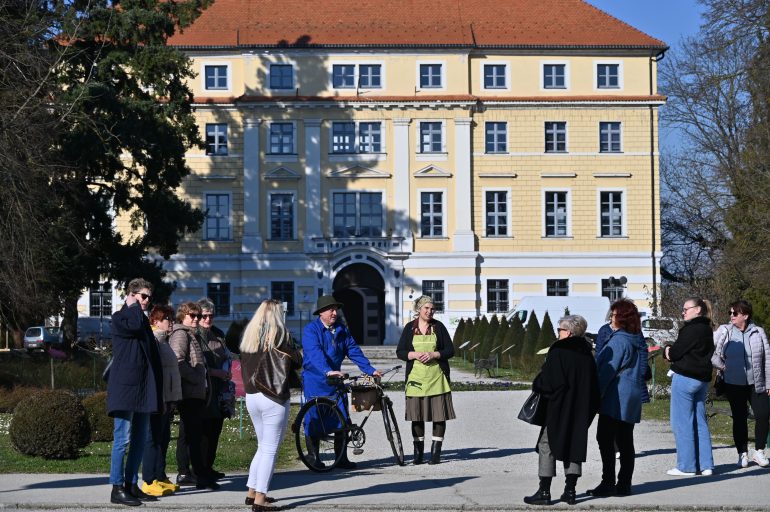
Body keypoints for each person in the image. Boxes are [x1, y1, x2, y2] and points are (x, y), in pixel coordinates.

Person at [523, 315, 600, 506]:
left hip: (559, 407)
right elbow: (594, 386)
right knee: (574, 446)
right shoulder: (587, 354)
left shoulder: (558, 351)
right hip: (580, 408)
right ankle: (570, 491)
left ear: (569, 332)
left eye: (560, 330)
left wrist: (538, 384)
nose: (558, 333)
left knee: (546, 444)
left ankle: (544, 491)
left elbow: (550, 382)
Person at [302, 295, 381, 470]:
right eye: (331, 309)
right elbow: (314, 354)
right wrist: (327, 371)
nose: (334, 313)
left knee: (342, 418)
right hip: (316, 381)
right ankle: (313, 457)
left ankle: (341, 458)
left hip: (335, 381)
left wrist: (370, 369)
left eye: (336, 309)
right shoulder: (311, 330)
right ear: (321, 312)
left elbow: (353, 350)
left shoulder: (341, 329)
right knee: (314, 418)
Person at [241, 300, 303, 511]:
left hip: (252, 396)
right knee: (270, 450)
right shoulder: (279, 336)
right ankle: (260, 499)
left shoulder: (250, 336)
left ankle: (252, 492)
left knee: (262, 447)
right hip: (272, 396)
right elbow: (297, 360)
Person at [107, 278, 163, 506]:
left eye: (149, 297)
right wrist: (132, 307)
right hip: (125, 388)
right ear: (131, 295)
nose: (147, 300)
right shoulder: (120, 318)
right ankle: (117, 487)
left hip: (143, 388)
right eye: (143, 296)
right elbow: (133, 327)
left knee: (140, 439)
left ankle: (131, 484)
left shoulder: (140, 318)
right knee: (122, 439)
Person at [590, 298, 645, 498]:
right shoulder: (634, 337)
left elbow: (606, 371)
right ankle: (624, 484)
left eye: (613, 315)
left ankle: (608, 482)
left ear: (621, 318)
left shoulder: (619, 340)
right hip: (630, 395)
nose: (610, 319)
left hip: (616, 397)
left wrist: (595, 395)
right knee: (625, 441)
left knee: (605, 438)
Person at [396, 295, 456, 465]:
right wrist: (413, 354)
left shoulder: (439, 327)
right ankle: (418, 453)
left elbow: (450, 350)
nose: (430, 311)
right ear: (419, 309)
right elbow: (400, 352)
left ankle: (435, 453)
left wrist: (434, 354)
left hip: (437, 377)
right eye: (426, 308)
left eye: (432, 309)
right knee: (417, 416)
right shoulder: (409, 328)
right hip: (415, 378)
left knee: (439, 415)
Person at [712, 299, 770, 468]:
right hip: (733, 383)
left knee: (763, 415)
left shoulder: (758, 332)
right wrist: (722, 366)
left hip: (757, 383)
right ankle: (742, 453)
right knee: (739, 418)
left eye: (735, 313)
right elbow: (710, 351)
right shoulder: (725, 331)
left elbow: (767, 359)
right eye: (730, 313)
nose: (731, 316)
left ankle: (759, 452)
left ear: (745, 315)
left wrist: (768, 383)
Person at [662, 297, 715, 476]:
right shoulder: (707, 329)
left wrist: (667, 350)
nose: (683, 312)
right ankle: (706, 465)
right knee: (700, 422)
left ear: (698, 309)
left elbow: (675, 353)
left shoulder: (691, 329)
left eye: (686, 309)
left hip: (685, 378)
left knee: (682, 423)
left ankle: (686, 466)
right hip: (702, 380)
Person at [169, 302, 218, 490]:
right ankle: (194, 474)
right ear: (182, 316)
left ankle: (192, 473)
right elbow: (178, 361)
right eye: (192, 315)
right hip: (188, 393)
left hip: (195, 392)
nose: (197, 319)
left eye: (198, 315)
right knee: (192, 435)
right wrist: (196, 378)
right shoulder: (181, 334)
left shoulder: (191, 334)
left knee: (191, 434)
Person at [141, 305, 183, 496]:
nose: (171, 322)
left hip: (167, 398)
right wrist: (162, 398)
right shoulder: (154, 340)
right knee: (152, 438)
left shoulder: (164, 341)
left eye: (172, 319)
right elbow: (155, 374)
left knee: (163, 437)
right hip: (157, 399)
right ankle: (149, 480)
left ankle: (160, 475)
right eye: (167, 319)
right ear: (155, 321)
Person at [197, 298, 231, 481]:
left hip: (219, 389)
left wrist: (228, 367)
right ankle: (199, 470)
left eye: (211, 316)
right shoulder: (195, 334)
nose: (208, 319)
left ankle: (209, 466)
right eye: (204, 316)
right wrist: (215, 372)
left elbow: (226, 354)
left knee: (215, 429)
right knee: (203, 431)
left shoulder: (218, 333)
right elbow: (195, 363)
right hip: (203, 389)